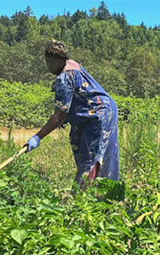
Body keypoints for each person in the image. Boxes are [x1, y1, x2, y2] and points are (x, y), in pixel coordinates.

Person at [24, 39, 119, 187]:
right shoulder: (71, 66)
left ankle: (83, 197)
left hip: (98, 114)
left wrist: (38, 137)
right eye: (47, 61)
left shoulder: (65, 77)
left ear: (63, 61)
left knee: (91, 157)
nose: (50, 65)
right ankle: (95, 192)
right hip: (90, 113)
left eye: (53, 62)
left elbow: (59, 114)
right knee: (79, 146)